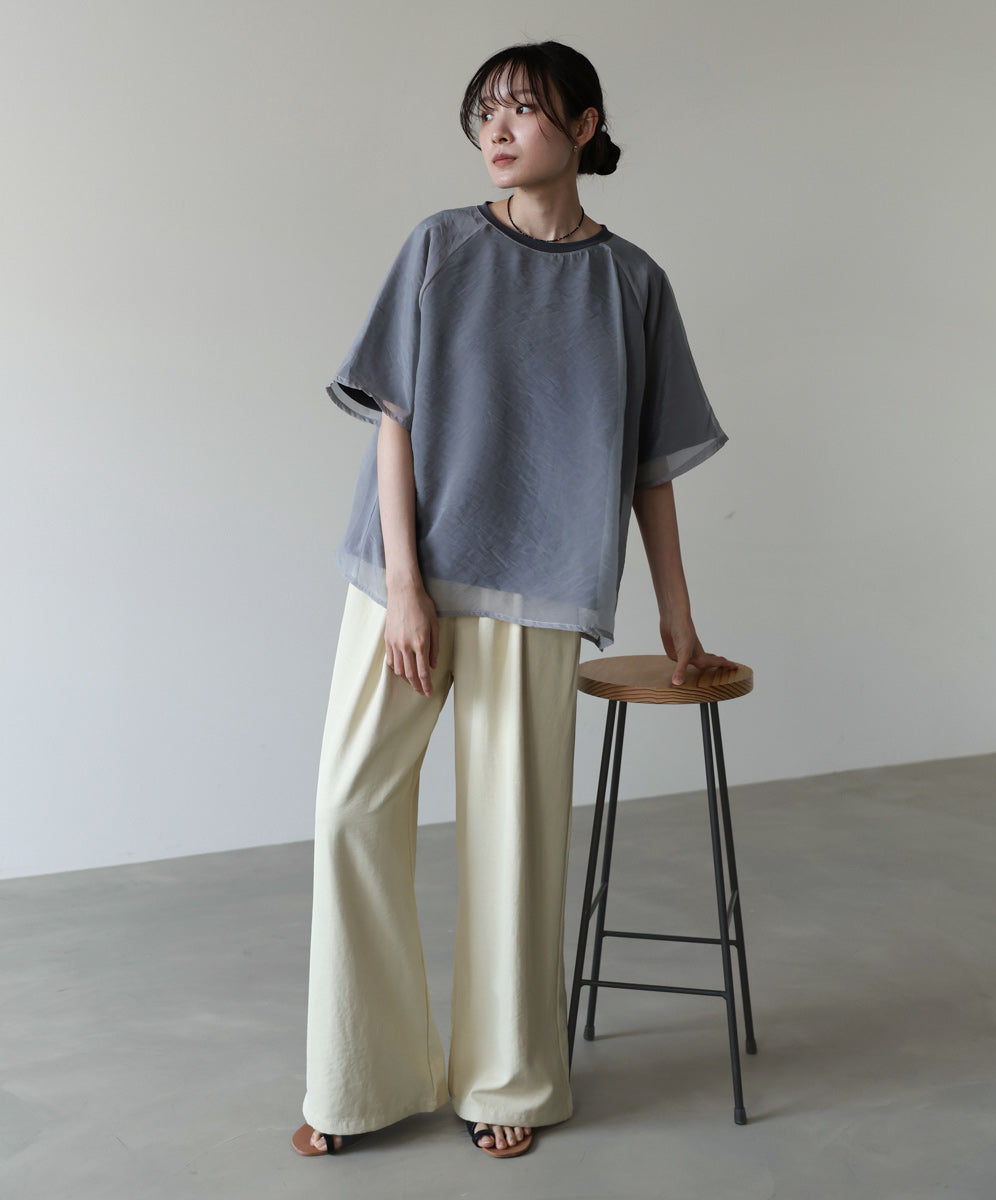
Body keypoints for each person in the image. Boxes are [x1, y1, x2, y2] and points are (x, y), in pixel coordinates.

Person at [292, 39, 738, 1162]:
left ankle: (507, 1079)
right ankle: (358, 1081)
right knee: (350, 811)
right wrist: (404, 588)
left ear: (583, 127)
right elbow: (393, 418)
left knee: (513, 844)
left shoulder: (632, 283)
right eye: (484, 110)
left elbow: (650, 469)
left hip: (540, 589)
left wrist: (676, 616)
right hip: (407, 578)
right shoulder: (440, 247)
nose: (496, 129)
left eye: (525, 109)